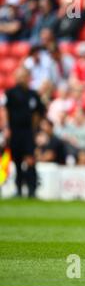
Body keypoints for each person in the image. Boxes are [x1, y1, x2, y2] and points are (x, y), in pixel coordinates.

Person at [0, 67, 46, 198]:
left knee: (30, 160)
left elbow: (39, 112)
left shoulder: (33, 95)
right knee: (17, 161)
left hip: (28, 132)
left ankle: (32, 190)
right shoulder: (10, 93)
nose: (21, 79)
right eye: (19, 76)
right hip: (15, 132)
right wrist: (7, 127)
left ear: (28, 77)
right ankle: (19, 189)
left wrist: (35, 130)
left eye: (23, 76)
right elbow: (5, 111)